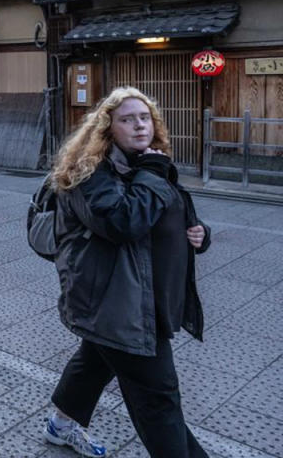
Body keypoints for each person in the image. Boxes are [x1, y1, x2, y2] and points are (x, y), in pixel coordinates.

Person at [43, 87, 211, 457]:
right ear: (107, 129)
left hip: (138, 297)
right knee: (159, 400)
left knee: (95, 360)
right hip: (120, 305)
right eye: (127, 119)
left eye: (144, 117)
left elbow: (169, 215)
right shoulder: (89, 173)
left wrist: (197, 234)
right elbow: (123, 222)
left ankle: (60, 425)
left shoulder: (145, 162)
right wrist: (153, 173)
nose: (139, 125)